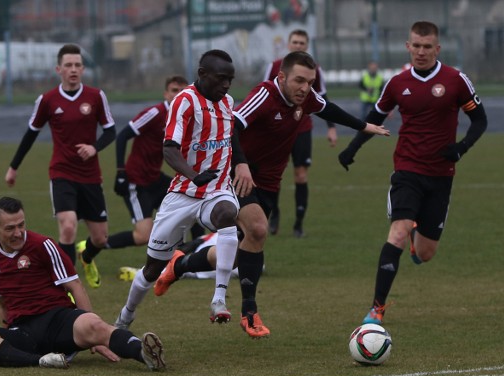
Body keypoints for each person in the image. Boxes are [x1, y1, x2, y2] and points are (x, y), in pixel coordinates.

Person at [153, 51, 390, 338]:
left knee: (241, 252)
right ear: (281, 77)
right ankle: (249, 312)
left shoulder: (306, 99)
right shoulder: (265, 95)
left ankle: (179, 264)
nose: (305, 87)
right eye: (299, 80)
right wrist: (240, 164)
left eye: (310, 82)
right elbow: (231, 128)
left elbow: (328, 108)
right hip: (238, 178)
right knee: (258, 229)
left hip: (269, 184)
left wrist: (364, 126)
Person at [338, 21, 488, 325]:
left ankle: (417, 235)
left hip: (442, 174)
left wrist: (461, 148)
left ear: (437, 48)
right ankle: (375, 310)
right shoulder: (396, 84)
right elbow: (374, 118)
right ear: (408, 46)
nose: (421, 52)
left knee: (425, 252)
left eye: (427, 46)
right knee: (398, 231)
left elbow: (480, 121)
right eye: (416, 46)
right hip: (406, 169)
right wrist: (352, 148)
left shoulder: (456, 80)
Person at [114, 49, 251, 330]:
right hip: (183, 193)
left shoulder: (227, 102)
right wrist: (193, 175)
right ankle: (125, 316)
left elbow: (231, 133)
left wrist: (240, 163)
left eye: (231, 79)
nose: (226, 85)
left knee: (228, 214)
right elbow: (170, 149)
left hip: (216, 189)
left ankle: (219, 299)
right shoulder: (184, 102)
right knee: (152, 269)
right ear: (202, 74)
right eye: (221, 78)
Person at [0, 197, 165, 371]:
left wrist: (94, 336)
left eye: (21, 225)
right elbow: (2, 305)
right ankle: (41, 360)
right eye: (10, 228)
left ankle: (144, 352)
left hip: (59, 320)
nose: (18, 233)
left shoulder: (43, 245)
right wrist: (7, 333)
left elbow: (75, 286)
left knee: (96, 326)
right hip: (23, 332)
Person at [4, 43, 115, 289]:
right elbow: (30, 134)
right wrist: (14, 167)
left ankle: (86, 257)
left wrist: (94, 147)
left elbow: (110, 131)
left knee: (100, 238)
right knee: (67, 226)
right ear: (59, 69)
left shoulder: (96, 97)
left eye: (77, 65)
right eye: (68, 65)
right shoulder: (47, 100)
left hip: (90, 176)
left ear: (83, 69)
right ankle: (67, 286)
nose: (73, 69)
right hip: (62, 173)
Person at [101, 75, 204, 262]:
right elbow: (123, 136)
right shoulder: (155, 113)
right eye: (174, 90)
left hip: (155, 178)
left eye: (183, 91)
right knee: (143, 236)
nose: (178, 95)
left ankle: (194, 261)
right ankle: (94, 244)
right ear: (166, 94)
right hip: (136, 180)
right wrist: (121, 172)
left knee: (190, 210)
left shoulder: (186, 118)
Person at [263, 29, 338, 237]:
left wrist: (331, 127)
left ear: (307, 46)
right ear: (289, 44)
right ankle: (274, 213)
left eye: (302, 43)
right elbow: (264, 94)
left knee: (301, 175)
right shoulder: (274, 67)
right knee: (272, 175)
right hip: (276, 131)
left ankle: (298, 224)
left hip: (302, 129)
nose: (298, 45)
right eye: (295, 42)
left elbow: (324, 100)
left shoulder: (315, 70)